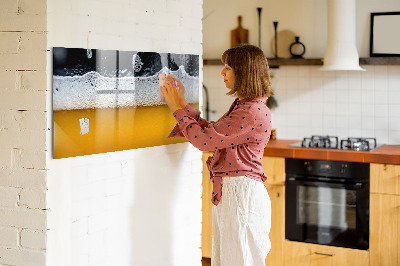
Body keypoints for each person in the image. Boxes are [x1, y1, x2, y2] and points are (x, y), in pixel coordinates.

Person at [161, 44, 273, 266]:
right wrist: (183, 103)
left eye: (228, 67)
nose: (222, 72)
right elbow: (213, 133)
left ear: (244, 72)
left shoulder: (250, 111)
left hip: (241, 195)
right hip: (236, 193)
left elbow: (204, 141)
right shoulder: (246, 106)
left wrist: (175, 107)